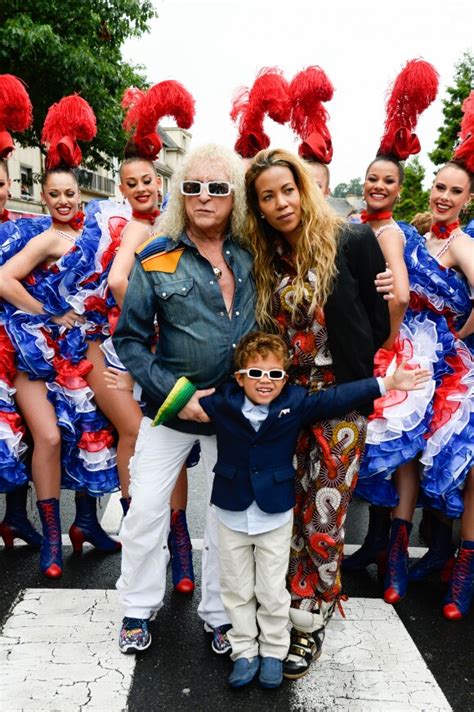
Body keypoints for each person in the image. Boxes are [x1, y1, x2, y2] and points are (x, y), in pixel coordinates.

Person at [198, 331, 429, 689]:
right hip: (230, 510)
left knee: (272, 588)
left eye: (275, 375)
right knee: (236, 587)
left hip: (274, 513)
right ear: (240, 376)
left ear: (285, 379)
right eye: (256, 374)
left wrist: (388, 382)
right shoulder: (223, 400)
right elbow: (182, 402)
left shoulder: (295, 400)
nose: (265, 382)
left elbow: (338, 397)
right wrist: (140, 385)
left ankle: (273, 651)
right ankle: (243, 651)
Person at [245, 147, 391, 678]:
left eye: (287, 190)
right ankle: (281, 605)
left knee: (325, 514)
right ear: (257, 207)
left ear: (303, 189)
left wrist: (346, 372)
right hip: (281, 400)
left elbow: (376, 326)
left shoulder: (351, 240)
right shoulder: (259, 254)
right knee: (284, 510)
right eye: (267, 196)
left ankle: (310, 621)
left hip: (341, 397)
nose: (281, 203)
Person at [113, 143, 257, 655]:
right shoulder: (157, 254)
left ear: (234, 196)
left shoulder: (254, 253)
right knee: (147, 510)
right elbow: (129, 339)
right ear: (179, 193)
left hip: (237, 414)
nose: (204, 197)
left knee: (225, 521)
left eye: (218, 188)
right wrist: (178, 394)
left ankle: (219, 614)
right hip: (171, 409)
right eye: (192, 186)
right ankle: (137, 607)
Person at [352, 92, 474, 619]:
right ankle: (396, 555)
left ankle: (459, 574)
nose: (445, 197)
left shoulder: (466, 243)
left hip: (453, 363)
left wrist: (459, 336)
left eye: (456, 191)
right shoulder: (418, 235)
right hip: (415, 357)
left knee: (462, 468)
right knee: (403, 455)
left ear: (469, 199)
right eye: (440, 188)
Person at [0, 96, 120, 578]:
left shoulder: (94, 232)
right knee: (47, 438)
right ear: (45, 198)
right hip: (38, 352)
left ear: (80, 195)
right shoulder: (44, 237)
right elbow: (5, 279)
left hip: (82, 353)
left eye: (72, 194)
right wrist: (48, 312)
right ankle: (52, 537)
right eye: (55, 195)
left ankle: (85, 524)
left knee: (93, 434)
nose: (65, 201)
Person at [100, 79, 199, 594]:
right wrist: (153, 325)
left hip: (147, 347)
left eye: (147, 181)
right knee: (143, 440)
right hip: (129, 349)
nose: (141, 189)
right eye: (131, 183)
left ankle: (177, 549)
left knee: (164, 443)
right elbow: (119, 282)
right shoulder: (140, 230)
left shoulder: (167, 222)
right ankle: (162, 546)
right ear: (123, 188)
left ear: (159, 183)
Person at [0, 75, 50, 548]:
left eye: (0, 183)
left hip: (21, 347)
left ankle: (16, 515)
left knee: (28, 433)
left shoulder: (25, 228)